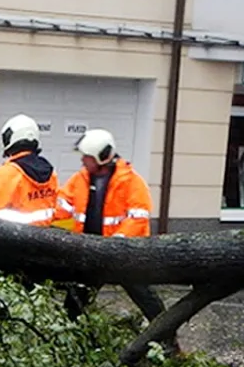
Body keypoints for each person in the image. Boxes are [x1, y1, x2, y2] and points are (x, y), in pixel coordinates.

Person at [53, 128, 165, 322]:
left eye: (86, 156)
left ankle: (163, 328)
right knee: (76, 299)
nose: (82, 160)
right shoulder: (80, 179)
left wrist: (117, 242)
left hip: (122, 253)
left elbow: (138, 217)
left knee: (143, 294)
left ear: (101, 157)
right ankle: (70, 331)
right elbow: (61, 206)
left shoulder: (130, 182)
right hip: (89, 250)